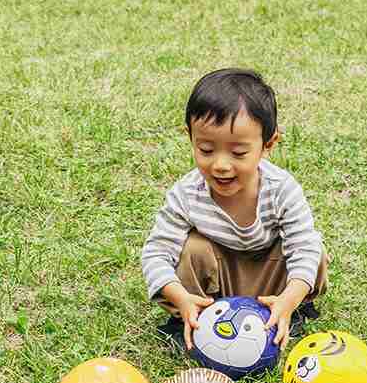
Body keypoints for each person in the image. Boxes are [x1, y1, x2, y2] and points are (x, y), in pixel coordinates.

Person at [141, 68, 328, 355]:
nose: (221, 165)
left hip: (270, 280)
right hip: (213, 288)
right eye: (205, 149)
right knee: (191, 249)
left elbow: (302, 247)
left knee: (313, 248)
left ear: (268, 145)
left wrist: (290, 297)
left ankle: (291, 310)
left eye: (238, 153)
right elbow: (156, 252)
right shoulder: (187, 194)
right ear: (190, 137)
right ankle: (187, 320)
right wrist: (180, 297)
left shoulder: (281, 189)